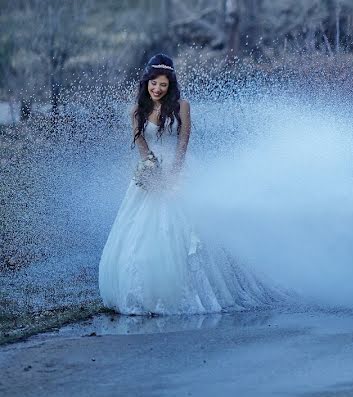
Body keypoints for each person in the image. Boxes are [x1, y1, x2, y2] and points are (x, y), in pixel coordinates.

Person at [99, 54, 274, 315]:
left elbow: (183, 141)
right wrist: (151, 171)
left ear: (171, 86)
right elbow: (142, 146)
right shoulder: (137, 110)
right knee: (142, 232)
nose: (157, 89)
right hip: (152, 171)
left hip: (179, 168)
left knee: (189, 232)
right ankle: (143, 289)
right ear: (146, 82)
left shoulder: (182, 106)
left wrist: (173, 175)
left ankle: (192, 288)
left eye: (163, 85)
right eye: (153, 83)